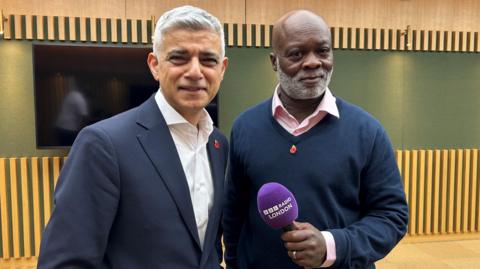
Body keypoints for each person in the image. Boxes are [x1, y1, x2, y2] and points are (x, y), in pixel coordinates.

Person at [37, 5, 229, 269]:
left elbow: (207, 252)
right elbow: (65, 262)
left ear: (222, 69)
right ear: (155, 65)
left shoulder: (218, 145)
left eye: (208, 60)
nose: (195, 71)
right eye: (179, 58)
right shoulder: (103, 144)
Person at [223, 10, 408, 269]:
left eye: (322, 51)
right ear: (274, 62)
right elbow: (234, 214)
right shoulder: (245, 127)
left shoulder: (368, 131)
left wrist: (332, 245)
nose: (313, 62)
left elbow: (392, 217)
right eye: (297, 54)